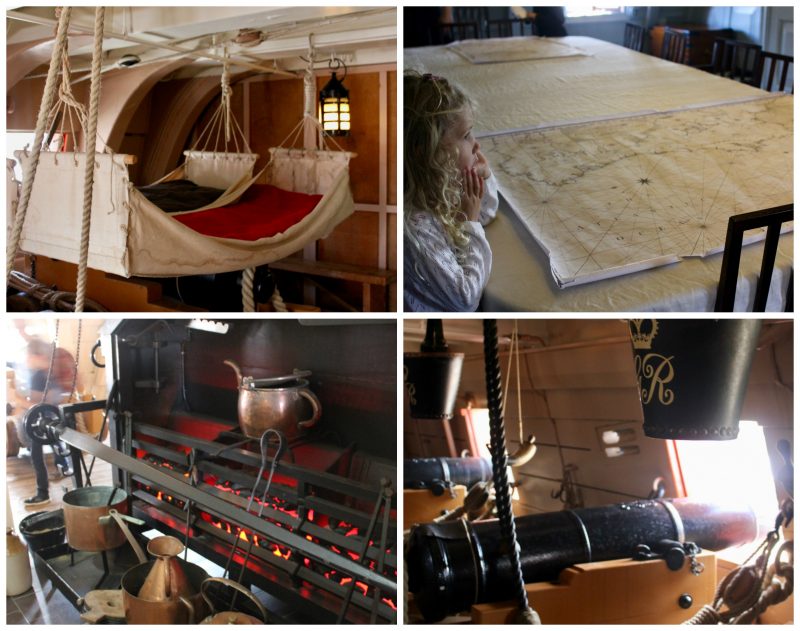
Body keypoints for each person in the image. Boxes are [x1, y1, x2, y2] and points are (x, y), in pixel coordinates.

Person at [404, 71, 499, 312]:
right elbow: (465, 299)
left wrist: (484, 177)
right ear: (430, 151)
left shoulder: (439, 184)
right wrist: (469, 220)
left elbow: (485, 213)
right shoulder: (416, 226)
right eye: (466, 135)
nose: (476, 144)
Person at [14, 338, 79, 507]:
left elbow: (38, 405)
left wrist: (17, 400)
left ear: (37, 355)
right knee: (62, 448)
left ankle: (43, 493)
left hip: (42, 423)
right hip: (54, 420)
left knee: (36, 457)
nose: (27, 359)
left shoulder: (39, 376)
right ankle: (69, 477)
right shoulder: (49, 373)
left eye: (28, 355)